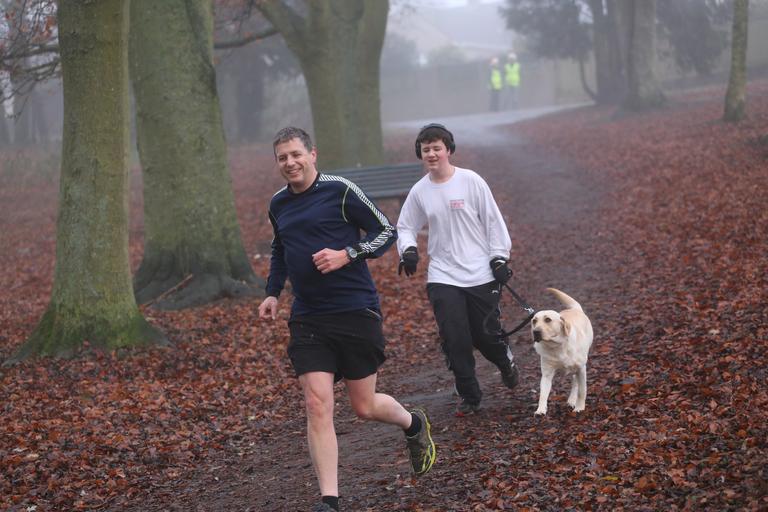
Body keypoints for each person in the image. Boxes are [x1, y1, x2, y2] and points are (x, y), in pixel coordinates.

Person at [258, 127, 436, 512]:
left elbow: (385, 231)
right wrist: (272, 292)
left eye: (295, 154)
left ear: (312, 154)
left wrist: (347, 254)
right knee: (316, 403)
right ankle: (330, 501)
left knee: (364, 406)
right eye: (282, 157)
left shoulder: (339, 190)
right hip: (308, 316)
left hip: (354, 309)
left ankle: (413, 424)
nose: (290, 162)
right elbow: (279, 249)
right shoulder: (278, 203)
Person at [396, 123, 519, 416]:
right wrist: (408, 250)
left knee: (485, 336)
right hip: (443, 274)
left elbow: (492, 220)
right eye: (426, 149)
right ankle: (469, 394)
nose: (431, 154)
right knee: (455, 338)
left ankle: (505, 361)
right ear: (420, 154)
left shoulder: (471, 181)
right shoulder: (420, 191)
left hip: (480, 272)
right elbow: (405, 226)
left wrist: (499, 257)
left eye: (437, 148)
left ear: (448, 150)